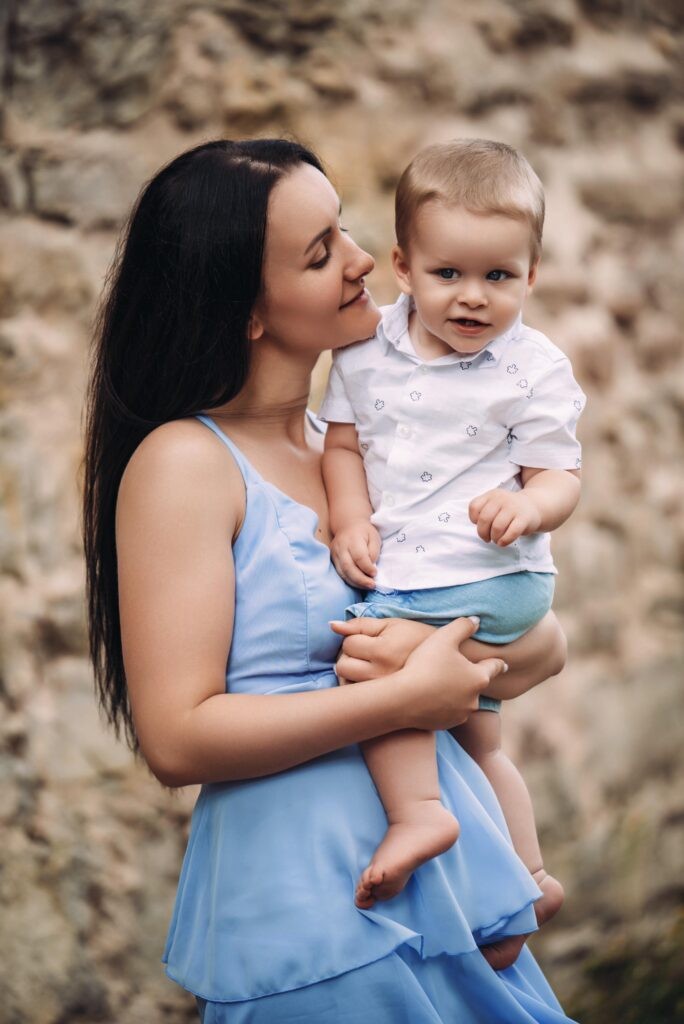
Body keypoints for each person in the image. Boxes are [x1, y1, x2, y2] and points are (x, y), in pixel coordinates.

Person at [83, 138, 576, 1022]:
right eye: (320, 254)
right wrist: (402, 698)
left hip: (447, 885)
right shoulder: (184, 464)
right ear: (246, 311)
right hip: (314, 898)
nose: (360, 262)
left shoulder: (354, 449)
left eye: (342, 230)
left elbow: (539, 643)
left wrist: (471, 655)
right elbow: (177, 738)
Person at [320, 139, 584, 935]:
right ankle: (530, 878)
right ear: (405, 266)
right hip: (412, 565)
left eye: (499, 277)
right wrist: (351, 518)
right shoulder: (364, 351)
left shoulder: (533, 367)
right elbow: (340, 446)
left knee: (370, 664)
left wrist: (530, 510)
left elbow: (560, 476)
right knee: (480, 743)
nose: (473, 298)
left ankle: (418, 813)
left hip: (489, 573)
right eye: (449, 275)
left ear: (531, 275)